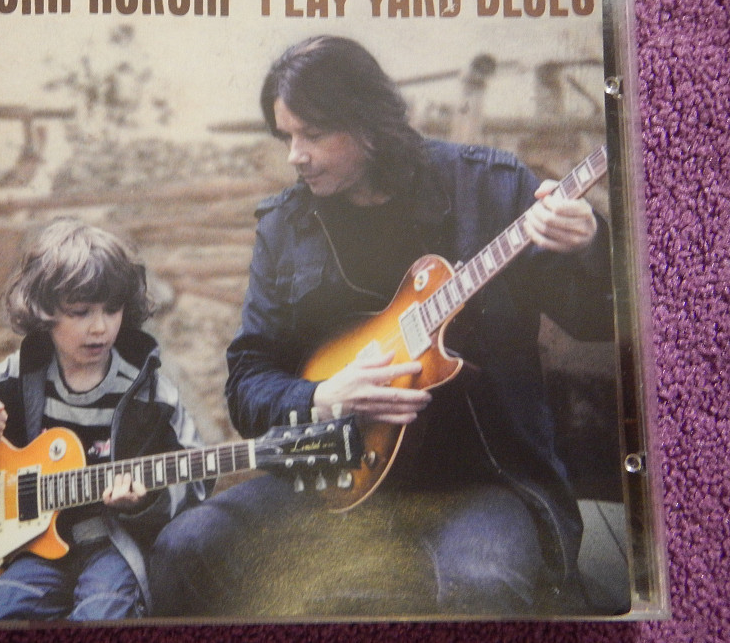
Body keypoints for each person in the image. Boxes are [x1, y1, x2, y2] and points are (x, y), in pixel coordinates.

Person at [148, 35, 617, 617]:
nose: (294, 155)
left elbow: (596, 323)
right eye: (286, 136)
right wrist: (321, 397)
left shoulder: (490, 188)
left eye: (312, 135)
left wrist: (588, 245)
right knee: (185, 549)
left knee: (483, 585)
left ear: (368, 124)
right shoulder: (285, 226)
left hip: (480, 481)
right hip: (330, 472)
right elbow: (247, 383)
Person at [0, 218, 206, 621]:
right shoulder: (25, 372)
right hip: (33, 550)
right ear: (44, 311)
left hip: (112, 547)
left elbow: (196, 475)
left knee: (104, 614)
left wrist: (145, 502)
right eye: (81, 312)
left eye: (112, 310)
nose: (100, 327)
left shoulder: (150, 391)